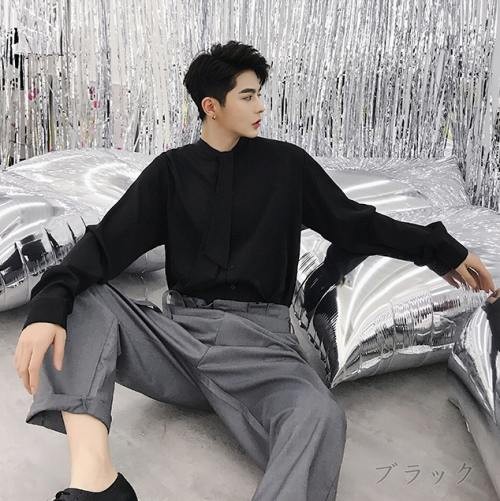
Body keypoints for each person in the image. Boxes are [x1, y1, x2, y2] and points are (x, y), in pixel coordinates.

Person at [13, 40, 496, 501]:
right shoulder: (171, 172)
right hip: (177, 341)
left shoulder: (287, 166)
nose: (260, 106)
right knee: (79, 297)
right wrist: (46, 307)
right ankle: (97, 483)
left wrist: (439, 249)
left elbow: (355, 224)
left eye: (260, 94)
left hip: (263, 350)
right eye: (247, 96)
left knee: (320, 416)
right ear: (211, 106)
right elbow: (104, 245)